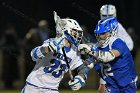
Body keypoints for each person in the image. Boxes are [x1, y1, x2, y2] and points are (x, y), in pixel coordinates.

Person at [21, 11, 88, 93]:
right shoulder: (51, 42)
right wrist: (48, 48)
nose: (77, 35)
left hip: (52, 89)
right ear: (65, 31)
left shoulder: (74, 51)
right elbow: (33, 55)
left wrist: (81, 78)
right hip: (34, 85)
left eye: (78, 33)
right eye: (74, 32)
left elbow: (82, 68)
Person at [78, 17, 137, 93]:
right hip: (111, 85)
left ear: (112, 32)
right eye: (98, 34)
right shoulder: (98, 46)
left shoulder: (118, 42)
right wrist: (80, 76)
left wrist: (90, 52)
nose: (100, 37)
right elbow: (87, 64)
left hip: (127, 84)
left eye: (103, 33)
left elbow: (108, 56)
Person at [98, 4, 134, 93]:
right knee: (103, 87)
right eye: (105, 16)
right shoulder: (101, 25)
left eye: (109, 16)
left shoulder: (117, 26)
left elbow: (130, 44)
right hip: (107, 64)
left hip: (117, 64)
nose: (107, 18)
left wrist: (117, 52)